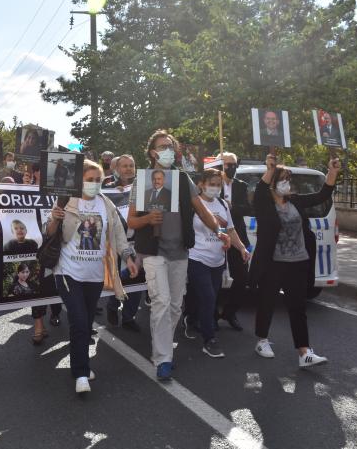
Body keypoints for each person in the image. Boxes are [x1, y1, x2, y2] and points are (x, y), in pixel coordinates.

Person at [127, 130, 228, 382]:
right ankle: (163, 358)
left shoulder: (183, 180)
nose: (169, 150)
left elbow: (201, 209)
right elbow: (131, 220)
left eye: (171, 146)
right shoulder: (144, 181)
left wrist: (219, 231)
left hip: (180, 251)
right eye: (163, 146)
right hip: (153, 251)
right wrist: (148, 219)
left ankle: (162, 342)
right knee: (160, 302)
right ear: (153, 152)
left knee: (174, 305)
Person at [45, 159, 138, 394]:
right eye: (89, 180)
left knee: (86, 323)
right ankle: (81, 373)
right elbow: (49, 233)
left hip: (95, 275)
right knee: (78, 321)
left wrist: (128, 257)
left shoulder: (106, 205)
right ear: (79, 181)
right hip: (68, 273)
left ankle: (82, 364)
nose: (94, 184)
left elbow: (118, 234)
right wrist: (55, 218)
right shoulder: (66, 202)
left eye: (98, 180)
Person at [250, 155, 339, 367]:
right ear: (273, 184)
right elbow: (260, 191)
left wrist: (332, 173)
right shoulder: (264, 204)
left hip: (298, 262)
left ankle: (304, 352)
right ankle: (262, 340)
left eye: (288, 179)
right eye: (282, 179)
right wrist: (270, 169)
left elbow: (321, 195)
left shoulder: (296, 201)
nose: (287, 183)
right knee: (267, 302)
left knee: (298, 307)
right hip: (273, 263)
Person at [185, 168, 249, 358]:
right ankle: (209, 340)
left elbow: (230, 230)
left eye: (218, 184)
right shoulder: (194, 204)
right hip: (197, 258)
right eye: (211, 184)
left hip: (218, 260)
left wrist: (242, 248)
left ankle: (190, 317)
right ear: (201, 185)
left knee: (206, 297)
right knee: (209, 298)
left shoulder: (222, 204)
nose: (215, 188)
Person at [103, 154, 143, 332]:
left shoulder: (142, 189)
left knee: (136, 279)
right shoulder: (106, 189)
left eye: (131, 165)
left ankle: (129, 316)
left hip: (138, 242)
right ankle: (112, 304)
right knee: (118, 276)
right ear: (116, 169)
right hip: (116, 243)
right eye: (124, 166)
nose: (128, 169)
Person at [216, 152, 251, 329]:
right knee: (214, 276)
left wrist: (232, 207)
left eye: (233, 164)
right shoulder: (213, 184)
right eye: (226, 164)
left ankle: (230, 312)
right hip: (216, 236)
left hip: (237, 234)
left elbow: (247, 208)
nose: (230, 167)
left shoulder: (241, 186)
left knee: (242, 276)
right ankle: (211, 314)